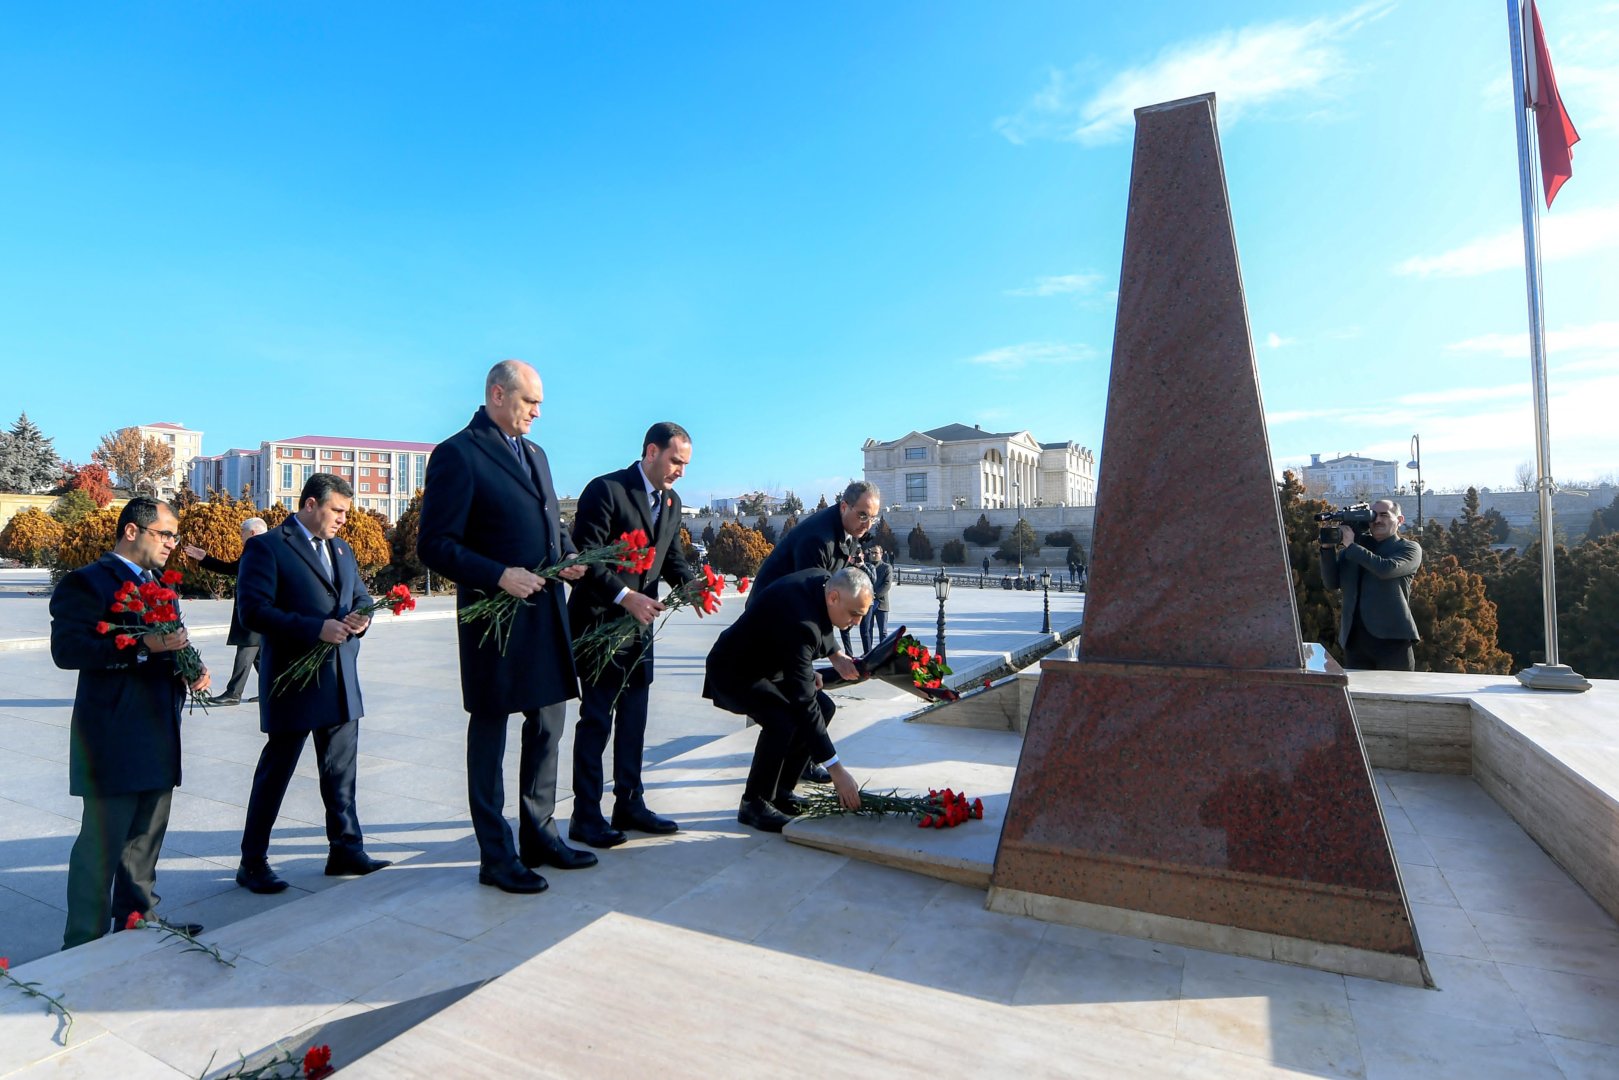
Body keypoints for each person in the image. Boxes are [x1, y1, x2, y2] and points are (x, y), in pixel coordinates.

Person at [417, 359, 592, 895]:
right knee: (491, 732)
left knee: (547, 728)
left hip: (544, 615)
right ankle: (496, 855)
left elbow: (548, 523)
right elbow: (435, 544)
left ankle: (540, 836)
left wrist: (567, 556)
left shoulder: (536, 454)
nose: (538, 412)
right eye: (529, 401)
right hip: (495, 621)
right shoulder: (458, 454)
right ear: (497, 394)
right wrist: (497, 575)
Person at [50, 497, 210, 948]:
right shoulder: (88, 582)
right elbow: (69, 651)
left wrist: (188, 665)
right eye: (165, 534)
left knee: (145, 839)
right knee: (100, 846)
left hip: (160, 729)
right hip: (113, 736)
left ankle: (138, 918)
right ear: (133, 532)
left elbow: (168, 642)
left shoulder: (160, 583)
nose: (172, 544)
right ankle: (82, 942)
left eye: (175, 536)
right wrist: (144, 649)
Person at [234, 474, 391, 894]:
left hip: (340, 677)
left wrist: (363, 618)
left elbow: (359, 596)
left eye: (346, 511)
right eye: (337, 510)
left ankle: (346, 850)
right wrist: (314, 629)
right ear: (309, 505)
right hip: (293, 680)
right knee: (276, 772)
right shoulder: (267, 547)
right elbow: (253, 612)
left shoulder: (342, 549)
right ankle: (252, 862)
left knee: (341, 772)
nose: (343, 518)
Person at [566, 422, 698, 849]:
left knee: (635, 720)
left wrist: (692, 586)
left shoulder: (672, 502)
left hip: (639, 630)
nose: (680, 470)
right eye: (675, 461)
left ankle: (630, 803)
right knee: (597, 720)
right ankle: (585, 815)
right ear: (651, 451)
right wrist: (626, 597)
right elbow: (585, 558)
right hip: (601, 623)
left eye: (685, 464)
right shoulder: (607, 490)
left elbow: (670, 557)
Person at [703, 567, 870, 832]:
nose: (858, 622)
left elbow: (815, 626)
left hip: (767, 665)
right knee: (782, 720)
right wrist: (837, 771)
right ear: (835, 598)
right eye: (854, 614)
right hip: (733, 670)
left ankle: (781, 791)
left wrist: (833, 655)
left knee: (824, 707)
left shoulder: (821, 580)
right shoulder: (802, 624)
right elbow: (804, 701)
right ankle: (754, 804)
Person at [1320, 499, 1423, 671]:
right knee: (1359, 696)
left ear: (1400, 520)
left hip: (1393, 641)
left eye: (1384, 515)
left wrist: (1351, 545)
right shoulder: (1354, 548)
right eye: (1373, 516)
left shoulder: (1408, 548)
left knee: (1397, 695)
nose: (1377, 520)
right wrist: (1327, 548)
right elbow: (1331, 583)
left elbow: (1386, 569)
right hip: (1354, 641)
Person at [183, 517, 268, 705]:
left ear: (252, 533)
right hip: (258, 611)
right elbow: (234, 569)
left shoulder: (260, 548)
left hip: (256, 611)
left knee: (246, 650)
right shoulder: (261, 548)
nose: (240, 537)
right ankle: (272, 691)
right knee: (258, 654)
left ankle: (233, 694)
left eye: (242, 533)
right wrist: (204, 558)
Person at [860, 546, 891, 651]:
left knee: (883, 631)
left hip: (882, 604)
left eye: (876, 553)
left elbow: (887, 585)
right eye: (871, 552)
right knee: (868, 629)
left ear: (881, 554)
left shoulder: (886, 567)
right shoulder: (866, 566)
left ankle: (883, 654)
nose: (873, 555)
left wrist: (874, 595)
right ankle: (869, 653)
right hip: (868, 603)